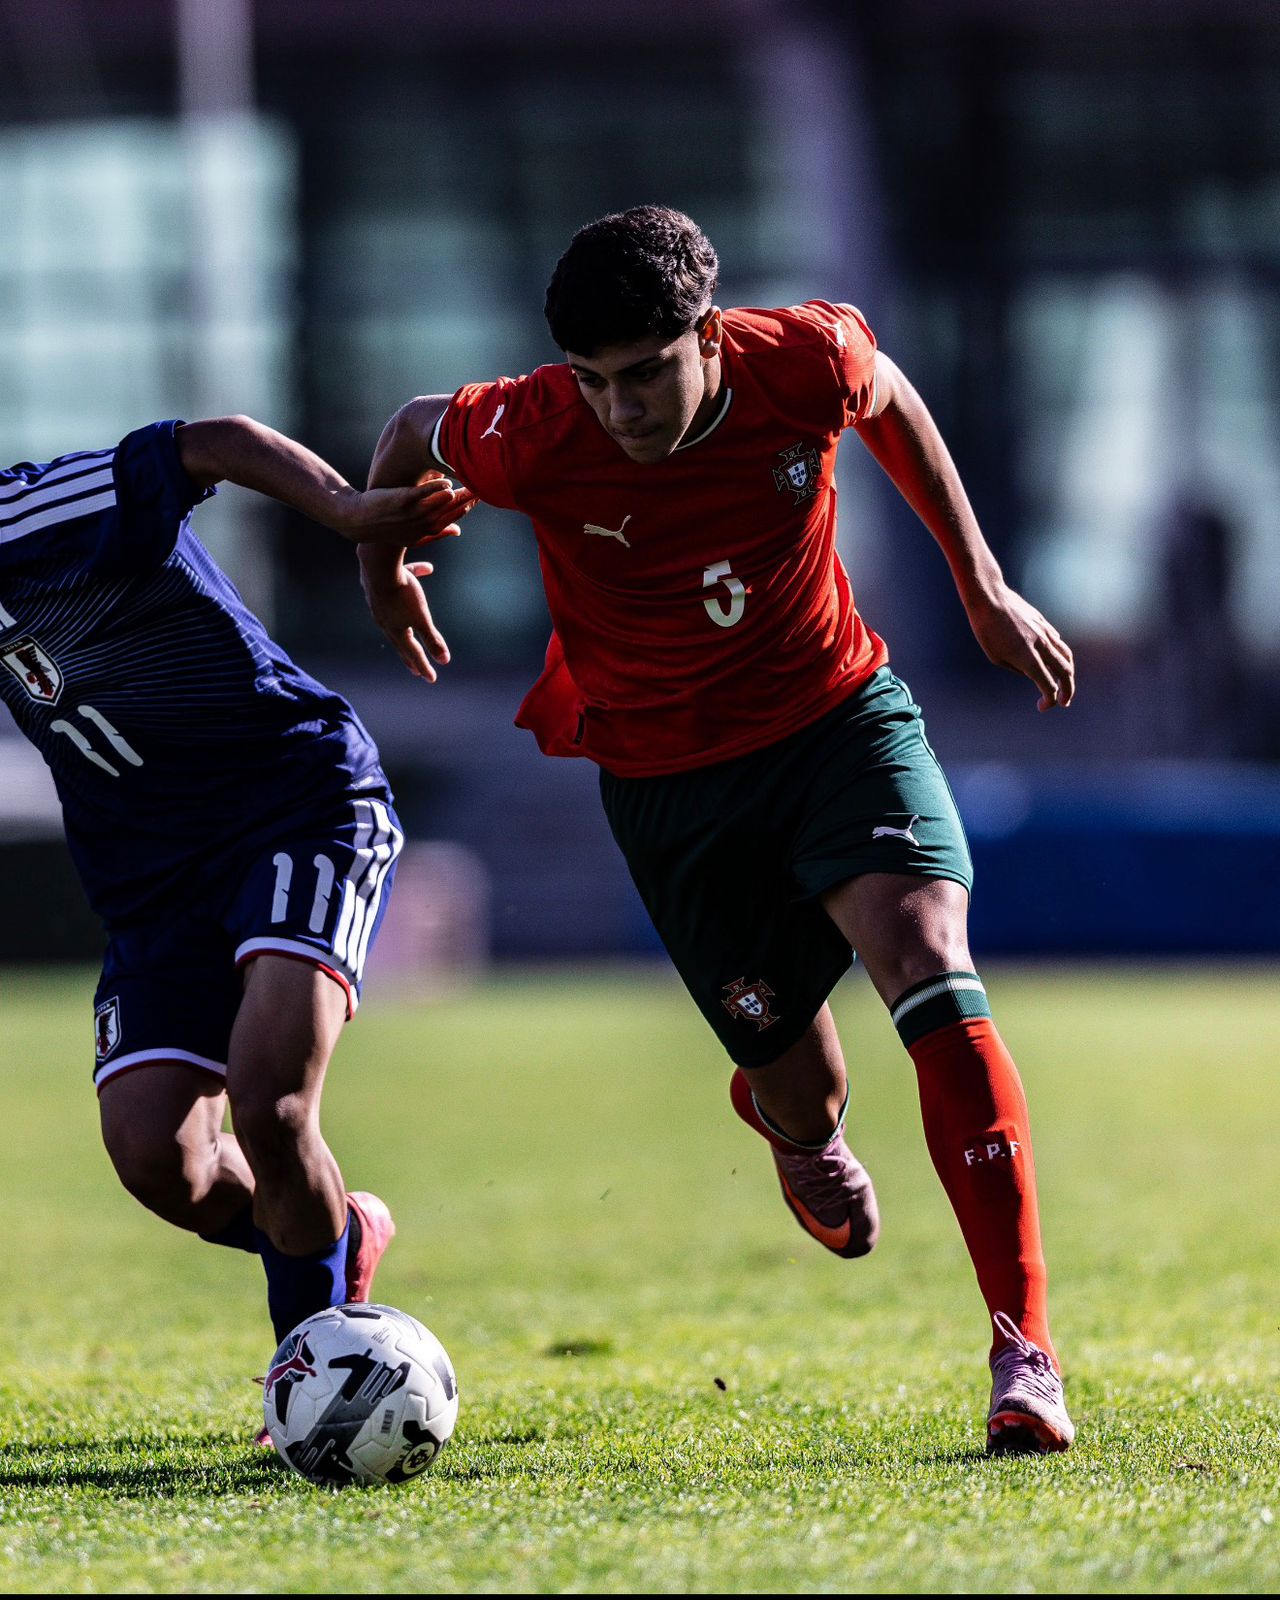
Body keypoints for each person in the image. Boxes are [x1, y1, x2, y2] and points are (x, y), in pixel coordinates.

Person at [360, 206, 1077, 1455]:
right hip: (667, 781)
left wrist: (978, 579)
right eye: (593, 383)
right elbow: (406, 429)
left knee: (929, 970)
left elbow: (890, 394)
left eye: (643, 374)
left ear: (707, 333)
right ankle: (793, 1127)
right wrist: (383, 569)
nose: (618, 410)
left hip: (834, 719)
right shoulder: (529, 432)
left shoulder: (797, 358)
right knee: (802, 1084)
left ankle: (1024, 1352)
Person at [0, 415, 470, 1443]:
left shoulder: (34, 514)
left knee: (269, 1102)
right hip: (149, 884)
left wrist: (347, 514)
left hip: (294, 805)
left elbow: (203, 441)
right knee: (157, 1160)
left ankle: (319, 1370)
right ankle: (338, 1235)